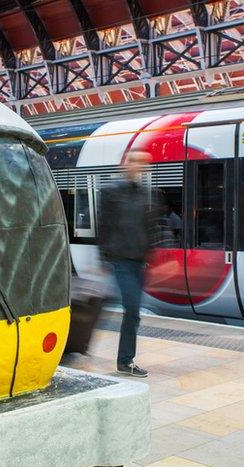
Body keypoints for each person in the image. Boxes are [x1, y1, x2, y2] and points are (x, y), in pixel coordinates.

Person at [97, 150, 157, 377]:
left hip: (139, 262)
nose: (138, 166)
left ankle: (81, 347)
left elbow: (148, 225)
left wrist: (151, 256)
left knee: (129, 311)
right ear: (125, 163)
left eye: (142, 163)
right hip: (120, 260)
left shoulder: (144, 193)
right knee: (131, 310)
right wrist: (102, 257)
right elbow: (103, 225)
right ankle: (125, 360)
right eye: (134, 161)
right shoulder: (111, 191)